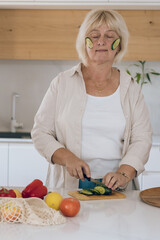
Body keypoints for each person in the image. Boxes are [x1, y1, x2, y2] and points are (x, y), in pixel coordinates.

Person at [31, 9, 152, 191]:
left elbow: (142, 139)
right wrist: (68, 158)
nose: (101, 41)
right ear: (84, 43)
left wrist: (124, 174)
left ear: (119, 45)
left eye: (110, 36)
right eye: (94, 35)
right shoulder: (62, 83)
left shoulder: (131, 88)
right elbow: (41, 132)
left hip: (119, 192)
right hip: (68, 189)